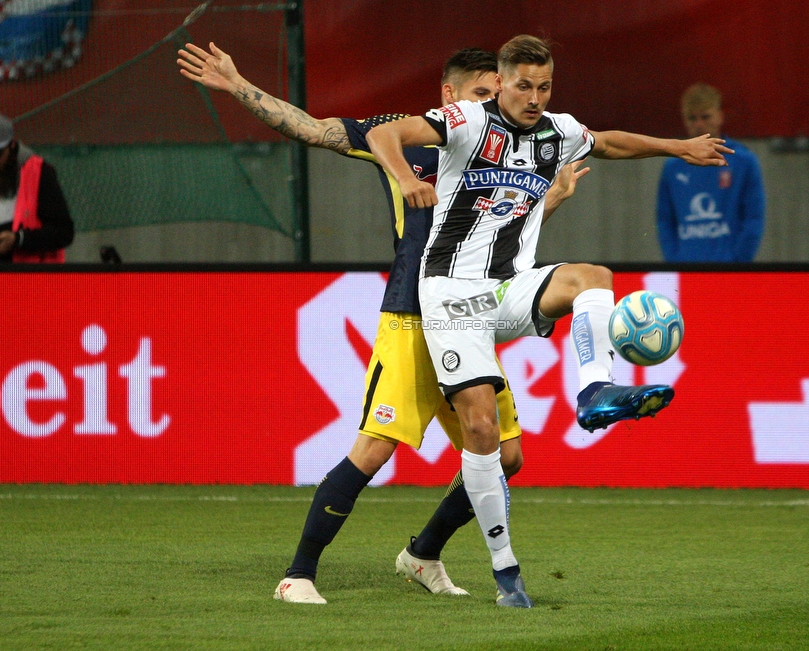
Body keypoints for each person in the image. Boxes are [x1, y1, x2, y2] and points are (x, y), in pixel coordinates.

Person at [177, 42, 587, 605]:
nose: (499, 105)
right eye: (484, 94)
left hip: (468, 317)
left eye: (501, 94)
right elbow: (313, 129)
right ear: (450, 94)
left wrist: (550, 202)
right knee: (375, 447)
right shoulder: (411, 139)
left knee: (507, 455)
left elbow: (501, 225)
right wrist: (239, 84)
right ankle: (298, 575)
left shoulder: (508, 146)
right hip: (413, 317)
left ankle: (422, 554)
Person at [366, 34, 732, 607]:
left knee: (592, 276)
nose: (534, 97)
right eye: (524, 85)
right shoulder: (465, 119)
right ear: (503, 80)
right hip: (450, 295)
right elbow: (383, 132)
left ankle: (593, 393)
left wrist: (678, 146)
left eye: (544, 86)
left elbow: (606, 142)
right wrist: (407, 177)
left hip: (509, 288)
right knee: (484, 432)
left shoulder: (556, 131)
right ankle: (505, 572)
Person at [656, 83, 766, 262]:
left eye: (705, 117)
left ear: (720, 116)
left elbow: (753, 219)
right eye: (692, 118)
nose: (699, 124)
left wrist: (739, 263)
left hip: (730, 270)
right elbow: (665, 220)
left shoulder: (743, 161)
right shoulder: (673, 167)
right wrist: (675, 261)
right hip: (686, 269)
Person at [0, 111, 74, 263]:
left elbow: (63, 232)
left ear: (11, 145)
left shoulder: (38, 171)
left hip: (29, 279)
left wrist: (19, 240)